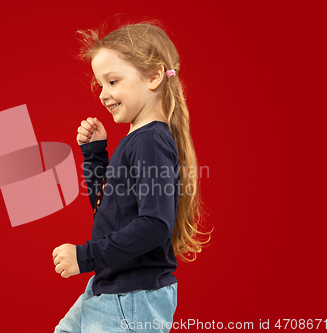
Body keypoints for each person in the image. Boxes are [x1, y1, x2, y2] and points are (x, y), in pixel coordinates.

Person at [52, 21, 209, 332]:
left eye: (112, 81)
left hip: (131, 297)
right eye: (100, 85)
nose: (103, 95)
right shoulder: (138, 140)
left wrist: (86, 256)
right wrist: (96, 154)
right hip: (110, 286)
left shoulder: (151, 141)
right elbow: (109, 208)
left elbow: (155, 225)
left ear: (153, 76)